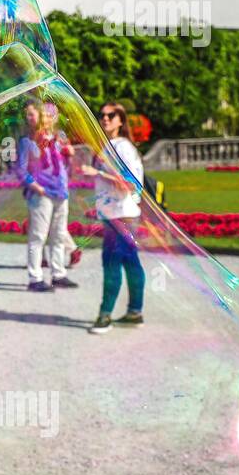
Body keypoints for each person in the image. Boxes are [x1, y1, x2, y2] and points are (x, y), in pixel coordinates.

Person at [80, 101, 146, 333]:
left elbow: (130, 184)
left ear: (120, 120)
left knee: (111, 263)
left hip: (122, 215)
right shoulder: (110, 145)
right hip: (115, 214)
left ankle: (104, 316)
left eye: (112, 115)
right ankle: (135, 312)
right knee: (130, 261)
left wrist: (96, 172)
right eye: (103, 115)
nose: (105, 118)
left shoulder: (123, 147)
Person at [16, 101, 76, 292]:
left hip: (61, 192)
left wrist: (70, 155)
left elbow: (65, 168)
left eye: (52, 115)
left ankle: (58, 274)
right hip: (42, 194)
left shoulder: (59, 139)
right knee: (38, 237)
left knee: (58, 235)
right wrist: (36, 187)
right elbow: (20, 170)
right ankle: (35, 278)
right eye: (46, 115)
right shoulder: (28, 141)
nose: (49, 119)